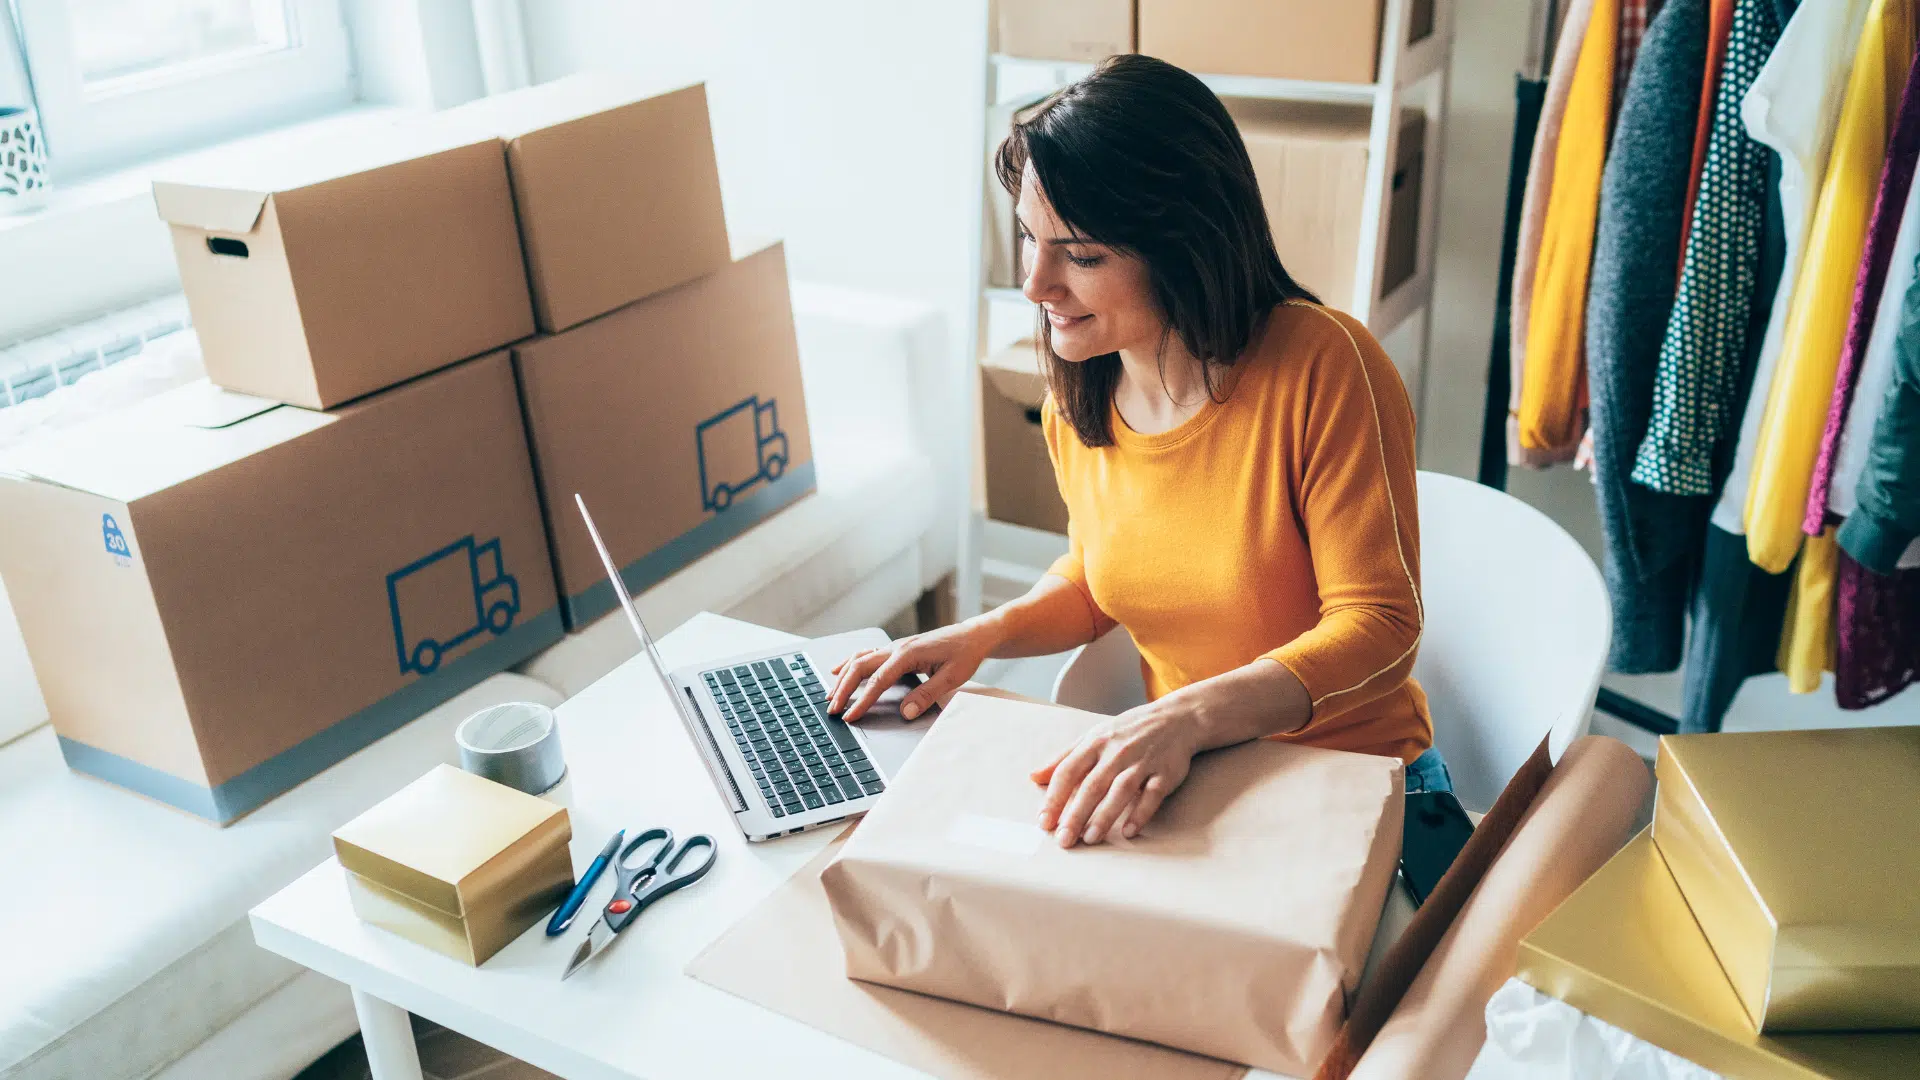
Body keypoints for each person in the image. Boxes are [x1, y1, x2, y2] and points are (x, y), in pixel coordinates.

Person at [829, 54, 1443, 849]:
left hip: (1353, 785)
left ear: (1186, 245)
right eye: (1029, 237)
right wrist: (985, 635)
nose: (1035, 284)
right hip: (1199, 774)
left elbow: (1382, 628)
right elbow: (1101, 577)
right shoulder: (1076, 398)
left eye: (1081, 256)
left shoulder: (1324, 367)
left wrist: (1182, 718)